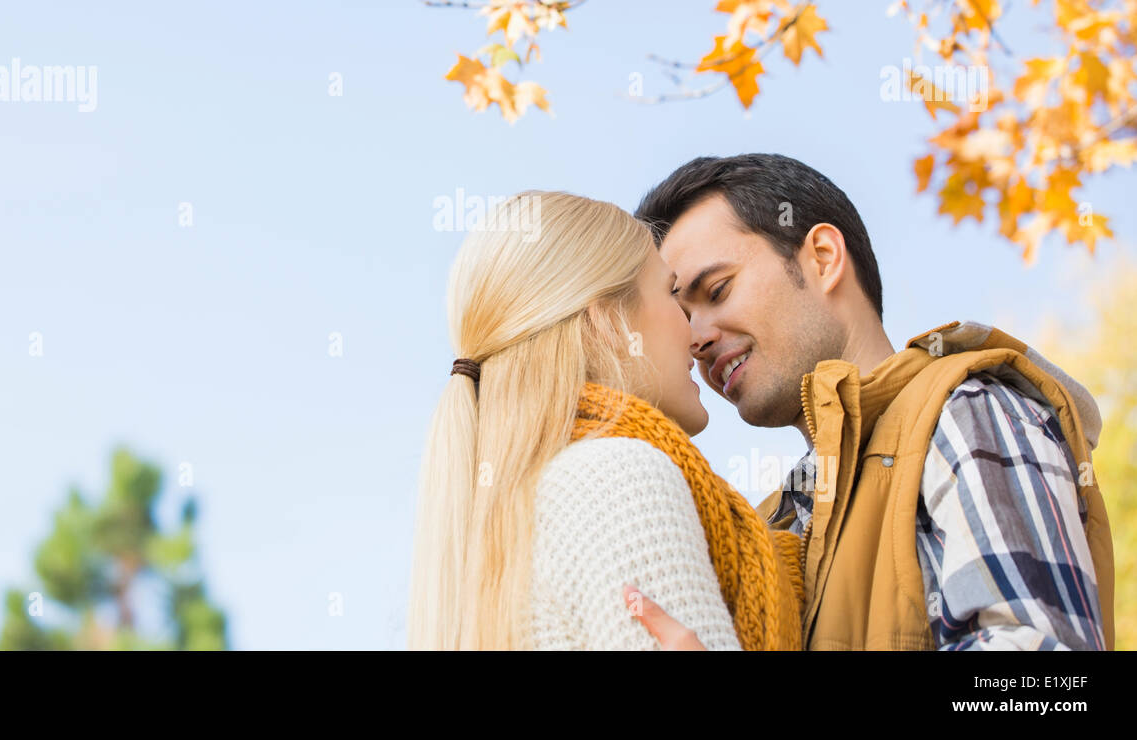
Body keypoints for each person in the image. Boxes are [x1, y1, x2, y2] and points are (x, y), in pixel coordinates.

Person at [626, 153, 1114, 650]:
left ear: (822, 258)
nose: (696, 338)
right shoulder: (774, 522)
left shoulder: (964, 413)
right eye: (682, 315)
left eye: (718, 289)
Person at [406, 190, 803, 650]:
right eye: (671, 294)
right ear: (607, 324)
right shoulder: (617, 477)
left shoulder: (514, 511)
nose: (696, 337)